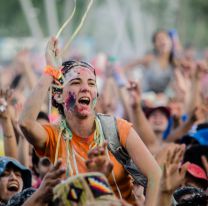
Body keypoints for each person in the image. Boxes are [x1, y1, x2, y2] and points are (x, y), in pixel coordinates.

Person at [19, 37, 162, 206]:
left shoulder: (117, 129)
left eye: (91, 83)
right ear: (58, 95)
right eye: (76, 82)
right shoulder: (53, 136)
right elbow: (26, 123)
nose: (85, 88)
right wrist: (50, 70)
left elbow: (156, 176)